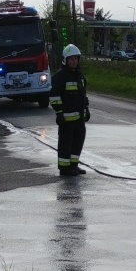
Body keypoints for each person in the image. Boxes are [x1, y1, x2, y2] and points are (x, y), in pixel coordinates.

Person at [50, 44, 90, 176]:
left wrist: (86, 109)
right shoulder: (60, 76)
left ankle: (74, 166)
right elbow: (54, 96)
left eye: (76, 59)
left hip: (79, 119)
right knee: (65, 144)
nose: (74, 61)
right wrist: (59, 113)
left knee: (78, 142)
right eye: (71, 59)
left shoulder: (79, 75)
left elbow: (82, 95)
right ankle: (64, 168)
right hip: (66, 119)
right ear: (65, 60)